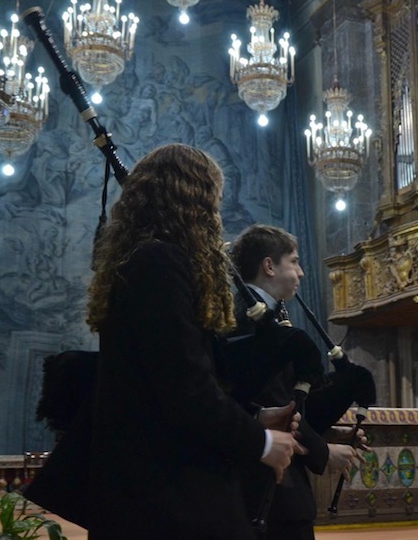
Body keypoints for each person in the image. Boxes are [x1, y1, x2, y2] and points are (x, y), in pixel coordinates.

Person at [85, 145, 304, 540]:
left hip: (154, 488)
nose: (215, 215)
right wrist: (261, 441)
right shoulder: (159, 263)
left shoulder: (146, 260)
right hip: (160, 492)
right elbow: (184, 387)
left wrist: (256, 416)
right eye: (213, 201)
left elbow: (175, 378)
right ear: (193, 201)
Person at [228, 224, 361, 540]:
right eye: (294, 261)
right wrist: (324, 452)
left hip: (278, 491)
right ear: (269, 266)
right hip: (268, 492)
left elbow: (291, 400)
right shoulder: (249, 321)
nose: (301, 272)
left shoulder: (265, 317)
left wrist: (331, 431)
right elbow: (274, 406)